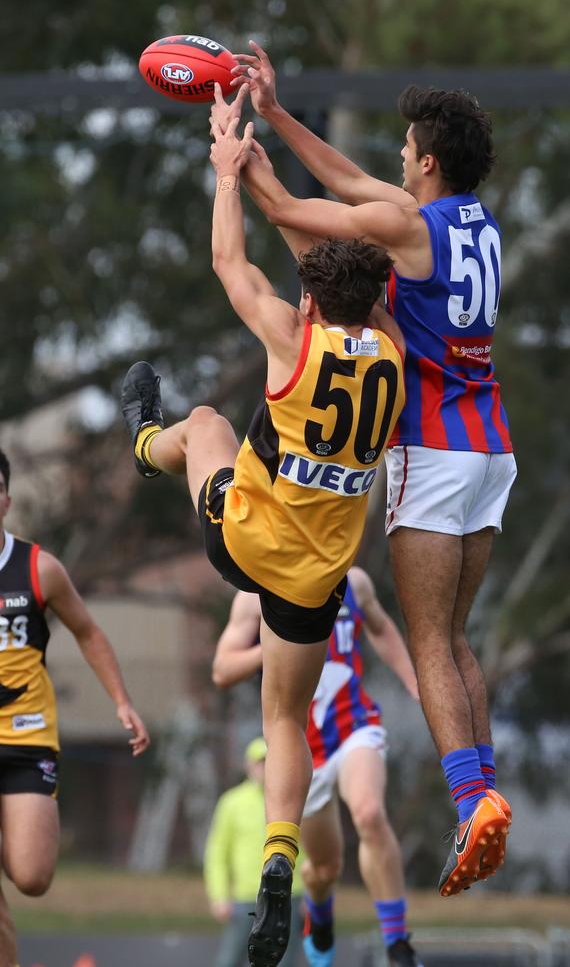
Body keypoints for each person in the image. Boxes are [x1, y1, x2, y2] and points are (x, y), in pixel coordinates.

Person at [217, 44, 515, 897]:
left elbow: (306, 211)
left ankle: (472, 800)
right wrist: (277, 114)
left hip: (436, 448)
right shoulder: (472, 221)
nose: (394, 160)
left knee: (426, 639)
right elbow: (351, 182)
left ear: (424, 158)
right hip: (492, 449)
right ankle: (481, 794)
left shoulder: (408, 227)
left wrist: (236, 165)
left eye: (404, 149)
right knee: (456, 637)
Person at [120, 113, 405, 966]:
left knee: (204, 422)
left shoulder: (292, 337)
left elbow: (228, 264)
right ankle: (281, 855)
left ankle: (142, 444)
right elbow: (358, 291)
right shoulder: (394, 353)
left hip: (244, 545)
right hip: (318, 581)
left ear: (312, 301)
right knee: (286, 718)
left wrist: (227, 171)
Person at [0, 441, 150, 967]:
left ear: (7, 500)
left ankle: (2, 831)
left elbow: (88, 633)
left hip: (28, 736)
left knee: (32, 877)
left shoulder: (40, 568)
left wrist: (122, 702)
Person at [213, 573, 424, 967]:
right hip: (300, 747)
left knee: (369, 812)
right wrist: (285, 640)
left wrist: (414, 682)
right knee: (324, 868)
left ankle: (398, 945)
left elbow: (380, 627)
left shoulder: (356, 582)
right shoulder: (255, 596)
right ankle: (321, 910)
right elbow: (222, 669)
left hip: (353, 725)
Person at [204, 736, 303, 967]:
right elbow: (217, 853)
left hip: (288, 895)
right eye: (261, 762)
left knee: (283, 961)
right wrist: (219, 895)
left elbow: (304, 847)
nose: (265, 768)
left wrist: (309, 893)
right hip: (245, 897)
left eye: (271, 761)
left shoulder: (292, 799)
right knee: (230, 960)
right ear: (249, 766)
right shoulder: (232, 802)